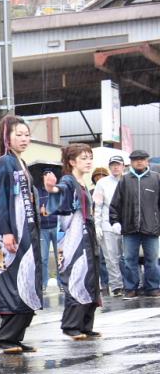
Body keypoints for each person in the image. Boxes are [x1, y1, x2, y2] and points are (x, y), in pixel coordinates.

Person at [0, 115, 42, 354]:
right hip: (13, 235)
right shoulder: (5, 162)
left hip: (27, 232)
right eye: (18, 134)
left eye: (26, 134)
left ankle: (16, 336)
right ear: (6, 137)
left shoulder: (21, 163)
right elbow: (0, 199)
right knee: (14, 284)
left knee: (28, 281)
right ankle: (7, 337)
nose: (24, 139)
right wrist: (6, 232)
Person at [45, 144, 102, 339]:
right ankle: (71, 325)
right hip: (73, 237)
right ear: (71, 162)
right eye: (83, 158)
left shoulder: (84, 183)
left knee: (90, 278)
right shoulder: (69, 181)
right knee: (76, 277)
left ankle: (86, 324)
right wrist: (51, 189)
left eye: (90, 158)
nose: (88, 162)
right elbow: (59, 192)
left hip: (87, 235)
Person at [109, 149, 160, 299]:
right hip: (129, 228)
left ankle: (153, 287)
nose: (139, 161)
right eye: (136, 159)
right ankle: (130, 288)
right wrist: (115, 221)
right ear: (130, 162)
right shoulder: (124, 180)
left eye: (142, 159)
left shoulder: (156, 179)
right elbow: (115, 204)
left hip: (151, 227)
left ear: (147, 161)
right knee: (129, 260)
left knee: (152, 260)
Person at [93, 156, 125, 297]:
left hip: (127, 225)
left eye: (118, 165)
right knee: (111, 257)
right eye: (112, 165)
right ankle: (117, 285)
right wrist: (97, 225)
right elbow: (98, 206)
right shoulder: (102, 183)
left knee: (127, 257)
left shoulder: (128, 180)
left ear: (123, 166)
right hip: (107, 224)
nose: (115, 167)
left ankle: (131, 283)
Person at [38, 170, 60, 290]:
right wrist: (39, 208)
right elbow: (32, 206)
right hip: (43, 228)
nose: (48, 178)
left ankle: (62, 283)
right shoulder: (37, 191)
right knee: (43, 258)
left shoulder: (57, 191)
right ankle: (43, 284)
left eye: (50, 176)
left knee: (59, 257)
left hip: (56, 227)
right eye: (45, 176)